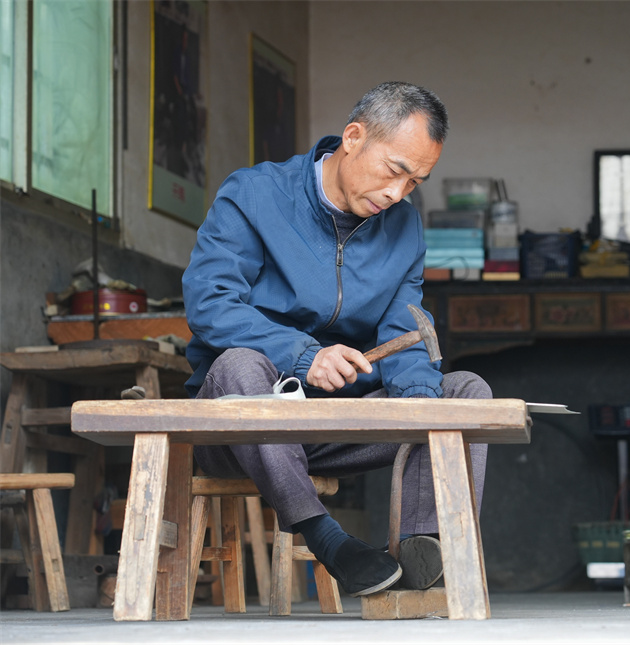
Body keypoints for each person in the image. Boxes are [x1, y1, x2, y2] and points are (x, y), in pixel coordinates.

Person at [182, 81, 492, 597]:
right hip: (238, 427)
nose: (398, 193)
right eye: (395, 171)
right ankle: (326, 539)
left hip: (333, 426)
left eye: (415, 182)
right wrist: (304, 357)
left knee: (464, 393)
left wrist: (418, 405)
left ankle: (426, 550)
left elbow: (405, 329)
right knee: (239, 365)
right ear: (353, 137)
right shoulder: (255, 196)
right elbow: (210, 302)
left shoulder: (405, 229)